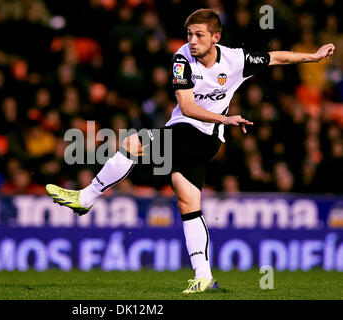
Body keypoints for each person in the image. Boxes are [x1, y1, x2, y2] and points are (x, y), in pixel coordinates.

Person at [46, 9, 335, 294]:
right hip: (187, 128)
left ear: (216, 38)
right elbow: (186, 107)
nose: (192, 40)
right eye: (189, 34)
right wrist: (226, 117)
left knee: (134, 143)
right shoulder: (181, 58)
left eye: (199, 35)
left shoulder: (235, 59)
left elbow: (275, 57)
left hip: (206, 137)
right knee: (188, 201)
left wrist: (313, 56)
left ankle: (86, 197)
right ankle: (204, 276)